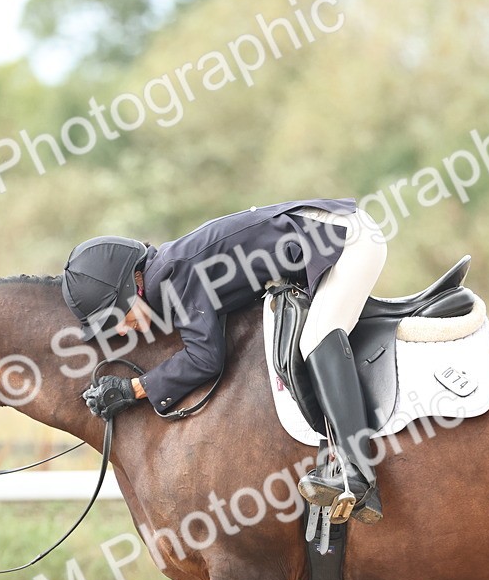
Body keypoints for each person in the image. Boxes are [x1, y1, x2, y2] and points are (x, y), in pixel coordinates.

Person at [61, 199, 388, 523]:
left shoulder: (176, 276)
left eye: (114, 316)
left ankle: (355, 471)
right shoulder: (170, 272)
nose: (119, 328)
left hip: (345, 239)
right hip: (329, 235)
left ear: (133, 287)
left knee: (316, 337)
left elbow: (205, 358)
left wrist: (133, 390)